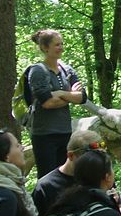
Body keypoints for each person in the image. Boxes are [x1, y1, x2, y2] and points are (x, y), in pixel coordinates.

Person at [26, 29, 87, 176]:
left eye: (62, 44)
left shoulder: (67, 70)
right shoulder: (38, 71)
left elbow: (82, 97)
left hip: (65, 131)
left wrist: (60, 94)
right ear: (45, 48)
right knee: (48, 176)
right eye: (57, 45)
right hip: (44, 134)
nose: (61, 48)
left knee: (66, 175)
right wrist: (70, 96)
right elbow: (47, 103)